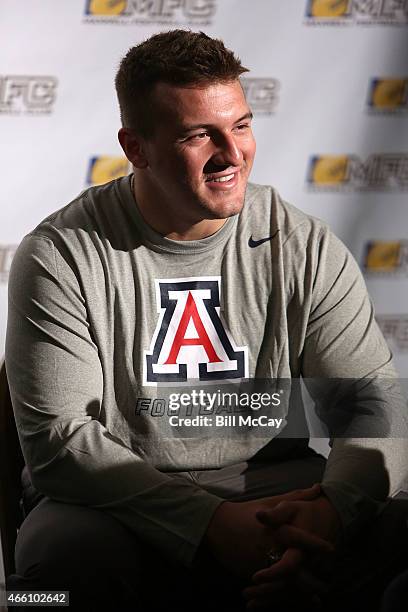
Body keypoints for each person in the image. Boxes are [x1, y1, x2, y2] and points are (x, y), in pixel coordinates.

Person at [5, 29, 408, 611]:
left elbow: (372, 404)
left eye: (241, 125)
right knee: (60, 569)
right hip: (116, 498)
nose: (232, 153)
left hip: (274, 483)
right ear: (136, 147)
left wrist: (330, 510)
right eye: (200, 135)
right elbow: (60, 444)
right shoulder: (62, 253)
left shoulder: (303, 245)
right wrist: (210, 524)